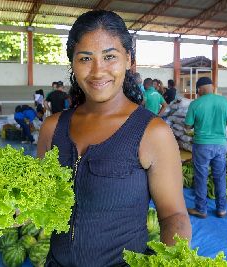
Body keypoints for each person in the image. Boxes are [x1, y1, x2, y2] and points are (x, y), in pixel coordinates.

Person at [37, 10, 191, 267]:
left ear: (129, 60)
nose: (98, 71)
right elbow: (40, 200)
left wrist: (171, 260)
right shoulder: (52, 128)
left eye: (110, 56)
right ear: (72, 63)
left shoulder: (152, 132)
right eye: (86, 58)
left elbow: (174, 215)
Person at [185, 77, 227, 219]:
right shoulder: (224, 101)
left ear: (200, 89)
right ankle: (222, 209)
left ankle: (201, 209)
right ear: (212, 87)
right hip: (220, 145)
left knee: (201, 177)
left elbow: (187, 125)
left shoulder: (195, 104)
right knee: (220, 177)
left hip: (202, 145)